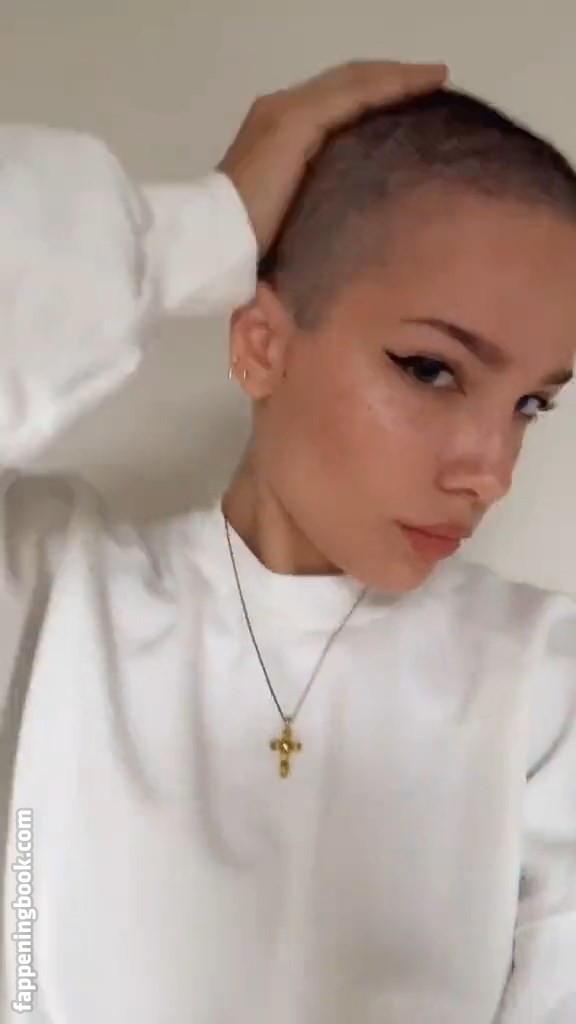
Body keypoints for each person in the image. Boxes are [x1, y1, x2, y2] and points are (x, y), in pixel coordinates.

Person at [0, 58, 575, 1024]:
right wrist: (197, 230)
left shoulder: (544, 682)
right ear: (261, 344)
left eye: (532, 403)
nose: (491, 470)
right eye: (432, 370)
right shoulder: (49, 585)